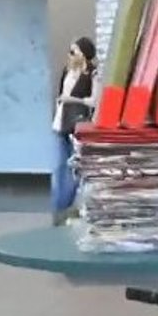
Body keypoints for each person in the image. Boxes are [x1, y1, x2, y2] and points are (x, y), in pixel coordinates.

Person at [51, 37, 97, 226]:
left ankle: (65, 207)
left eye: (74, 52)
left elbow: (93, 102)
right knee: (60, 168)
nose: (70, 56)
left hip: (77, 126)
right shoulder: (67, 72)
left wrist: (71, 99)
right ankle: (58, 209)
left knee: (76, 170)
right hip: (60, 124)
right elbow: (59, 97)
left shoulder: (91, 74)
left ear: (84, 54)